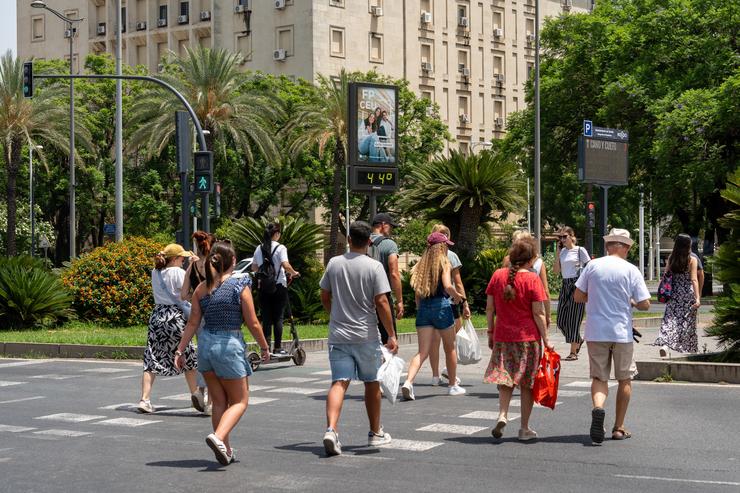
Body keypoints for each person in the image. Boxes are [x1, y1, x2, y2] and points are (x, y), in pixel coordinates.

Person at [175, 241, 270, 465]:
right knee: (240, 401)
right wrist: (265, 347)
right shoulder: (240, 285)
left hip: (206, 347)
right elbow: (253, 322)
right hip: (228, 346)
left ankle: (225, 449)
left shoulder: (201, 289)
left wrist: (179, 350)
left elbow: (192, 324)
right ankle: (218, 437)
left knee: (219, 402)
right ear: (233, 262)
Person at [319, 221, 398, 456]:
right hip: (366, 335)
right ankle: (375, 432)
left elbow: (325, 293)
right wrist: (391, 334)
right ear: (370, 241)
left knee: (339, 382)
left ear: (349, 239)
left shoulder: (334, 263)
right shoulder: (374, 267)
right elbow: (382, 302)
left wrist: (331, 311)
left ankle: (331, 429)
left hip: (339, 334)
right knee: (372, 383)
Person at [574, 228, 650, 445]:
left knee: (599, 378)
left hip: (596, 331)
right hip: (621, 332)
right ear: (625, 247)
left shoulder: (593, 266)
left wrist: (596, 295)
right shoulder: (631, 270)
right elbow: (645, 304)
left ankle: (598, 408)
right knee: (624, 378)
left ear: (608, 246)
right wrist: (632, 302)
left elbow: (578, 296)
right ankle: (619, 427)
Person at [485, 236, 552, 441]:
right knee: (526, 383)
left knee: (505, 379)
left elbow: (489, 308)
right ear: (531, 259)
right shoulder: (532, 279)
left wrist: (490, 332)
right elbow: (538, 313)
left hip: (503, 336)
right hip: (527, 338)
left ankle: (503, 414)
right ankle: (524, 428)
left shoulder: (497, 275)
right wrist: (547, 340)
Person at [401, 232, 466, 400]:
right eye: (446, 245)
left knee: (422, 352)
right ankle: (452, 385)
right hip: (442, 307)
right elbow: (447, 285)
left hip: (423, 309)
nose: (447, 248)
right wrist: (458, 297)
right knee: (450, 347)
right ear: (441, 246)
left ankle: (408, 382)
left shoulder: (420, 265)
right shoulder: (444, 262)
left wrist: (419, 308)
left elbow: (417, 293)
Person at [138, 244, 199, 414]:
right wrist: (193, 268)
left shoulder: (155, 272)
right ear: (174, 259)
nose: (183, 261)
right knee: (187, 355)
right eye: (181, 258)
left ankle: (145, 399)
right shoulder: (179, 273)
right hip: (176, 317)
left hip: (158, 316)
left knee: (151, 357)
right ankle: (196, 397)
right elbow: (186, 293)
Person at [427, 224, 470, 387]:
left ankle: (435, 375)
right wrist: (464, 302)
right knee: (452, 341)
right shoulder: (450, 256)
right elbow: (457, 283)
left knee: (434, 341)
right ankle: (449, 373)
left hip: (428, 301)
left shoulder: (426, 255)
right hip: (449, 301)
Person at [180, 231, 216, 413]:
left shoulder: (192, 267)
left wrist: (195, 297)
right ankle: (210, 401)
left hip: (198, 316)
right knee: (215, 356)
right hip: (216, 315)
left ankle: (200, 391)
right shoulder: (215, 265)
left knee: (202, 353)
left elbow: (183, 294)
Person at [251, 223, 300, 355]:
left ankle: (265, 348)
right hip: (278, 286)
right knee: (278, 317)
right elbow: (285, 264)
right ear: (276, 234)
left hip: (264, 287)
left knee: (266, 318)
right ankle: (277, 348)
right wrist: (294, 273)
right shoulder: (281, 248)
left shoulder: (259, 248)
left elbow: (254, 268)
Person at [654, 234, 701, 356]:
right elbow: (694, 280)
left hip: (674, 294)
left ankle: (665, 344)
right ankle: (690, 349)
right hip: (687, 295)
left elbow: (665, 276)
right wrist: (697, 297)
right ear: (688, 245)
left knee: (669, 320)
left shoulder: (671, 258)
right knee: (687, 321)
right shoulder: (692, 260)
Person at [552, 226, 590, 361]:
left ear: (571, 236)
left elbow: (590, 267)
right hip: (565, 284)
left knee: (574, 319)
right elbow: (556, 271)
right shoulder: (562, 253)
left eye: (564, 236)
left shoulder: (580, 250)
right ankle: (577, 340)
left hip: (577, 284)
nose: (562, 239)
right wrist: (557, 252)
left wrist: (585, 285)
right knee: (561, 320)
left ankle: (573, 352)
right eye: (560, 237)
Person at [502, 230, 552, 327]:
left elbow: (502, 284)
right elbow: (545, 291)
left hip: (511, 306)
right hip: (533, 309)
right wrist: (547, 315)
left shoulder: (507, 260)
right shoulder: (539, 262)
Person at [369, 213, 404, 345]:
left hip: (362, 296)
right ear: (383, 225)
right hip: (382, 295)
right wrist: (399, 301)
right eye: (390, 226)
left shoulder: (361, 241)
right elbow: (394, 273)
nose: (391, 230)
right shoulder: (389, 244)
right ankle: (385, 364)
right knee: (388, 340)